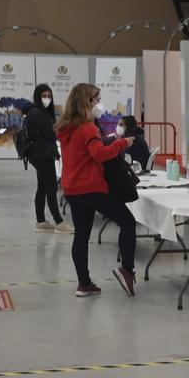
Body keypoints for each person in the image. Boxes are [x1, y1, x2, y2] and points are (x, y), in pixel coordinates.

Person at [56, 84, 137, 297]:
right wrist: (122, 143)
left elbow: (85, 150)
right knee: (128, 222)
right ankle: (127, 270)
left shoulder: (66, 128)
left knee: (81, 236)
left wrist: (107, 140)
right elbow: (98, 154)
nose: (99, 104)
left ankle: (84, 283)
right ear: (86, 102)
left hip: (73, 189)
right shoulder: (88, 127)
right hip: (92, 187)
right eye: (96, 99)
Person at [24, 85, 72, 233]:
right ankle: (59, 222)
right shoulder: (36, 113)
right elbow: (51, 133)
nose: (47, 99)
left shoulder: (41, 113)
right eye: (44, 96)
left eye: (49, 96)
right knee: (51, 187)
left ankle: (41, 221)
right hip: (42, 155)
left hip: (42, 154)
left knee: (43, 187)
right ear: (37, 96)